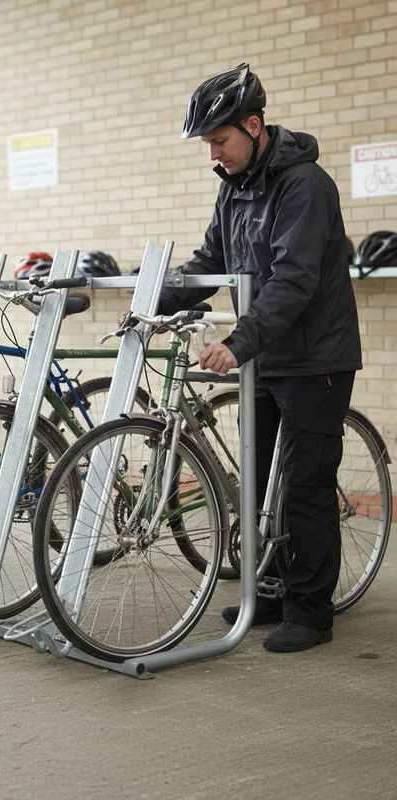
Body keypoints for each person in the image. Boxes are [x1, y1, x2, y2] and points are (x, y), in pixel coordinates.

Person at [153, 63, 362, 652]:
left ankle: (311, 612)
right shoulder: (233, 186)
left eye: (219, 140)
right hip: (269, 356)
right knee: (263, 479)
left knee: (304, 484)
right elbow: (211, 263)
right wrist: (154, 301)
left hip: (315, 357)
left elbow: (293, 281)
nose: (213, 153)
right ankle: (271, 587)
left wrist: (238, 341)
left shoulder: (305, 185)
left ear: (253, 125)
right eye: (208, 144)